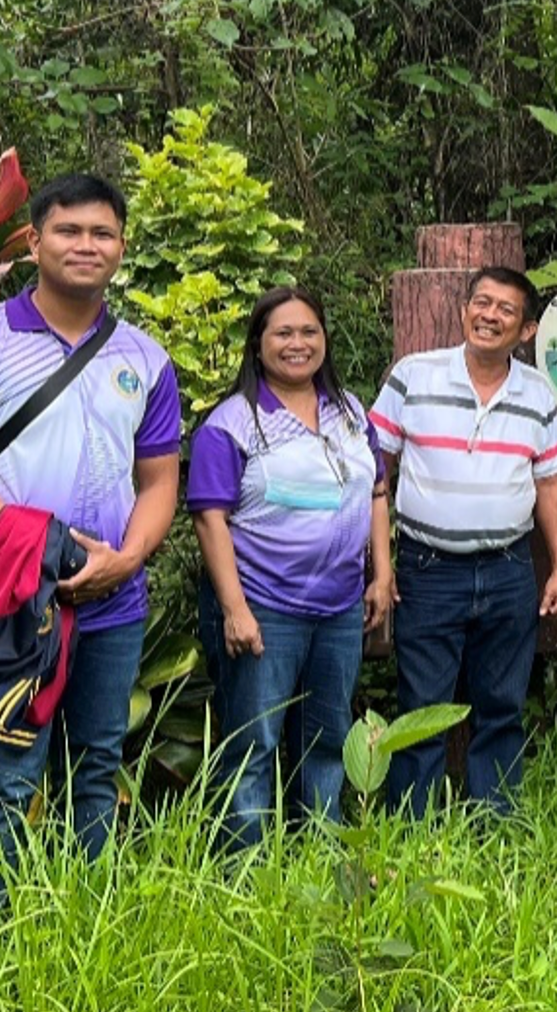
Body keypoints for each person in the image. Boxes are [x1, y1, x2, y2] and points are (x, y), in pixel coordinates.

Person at [0, 174, 182, 866]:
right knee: (3, 780)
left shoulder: (146, 360)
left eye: (103, 233)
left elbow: (159, 482)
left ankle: (79, 929)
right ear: (35, 242)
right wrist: (47, 554)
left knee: (95, 770)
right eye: (68, 231)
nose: (86, 246)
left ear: (122, 247)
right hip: (7, 596)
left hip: (113, 603)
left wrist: (125, 561)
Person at [187, 287, 391, 850]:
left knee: (326, 740)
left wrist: (382, 572)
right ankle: (243, 869)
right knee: (254, 744)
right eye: (283, 333)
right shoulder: (232, 424)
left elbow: (376, 489)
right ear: (257, 345)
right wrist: (234, 610)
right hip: (263, 608)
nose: (297, 344)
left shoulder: (349, 412)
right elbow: (209, 518)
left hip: (339, 608)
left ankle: (318, 858)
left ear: (325, 339)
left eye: (309, 332)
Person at [368, 266, 557, 815]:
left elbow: (549, 482)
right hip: (428, 568)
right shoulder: (415, 375)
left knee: (502, 703)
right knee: (421, 705)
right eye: (481, 303)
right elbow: (372, 470)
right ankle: (409, 825)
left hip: (509, 570)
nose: (490, 315)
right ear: (464, 310)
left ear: (526, 330)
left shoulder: (537, 393)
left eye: (506, 309)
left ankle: (497, 820)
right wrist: (380, 567)